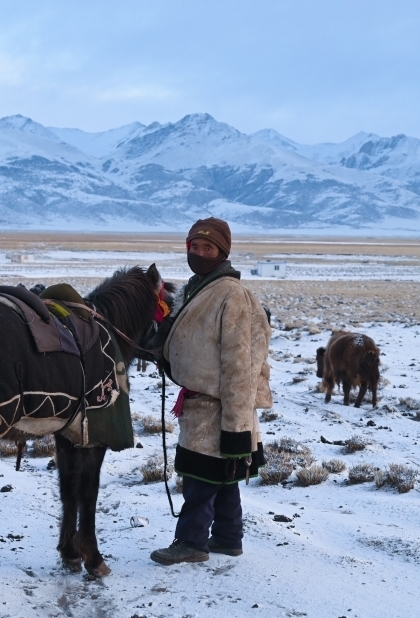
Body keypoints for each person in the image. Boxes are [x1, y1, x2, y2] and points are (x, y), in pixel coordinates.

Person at [150, 217, 272, 565]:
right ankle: (228, 538)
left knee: (201, 477)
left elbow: (240, 365)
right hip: (200, 402)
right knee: (224, 476)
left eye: (209, 247)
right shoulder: (199, 287)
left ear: (223, 252)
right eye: (195, 246)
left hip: (221, 405)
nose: (200, 253)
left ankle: (191, 543)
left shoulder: (231, 295)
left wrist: (236, 427)